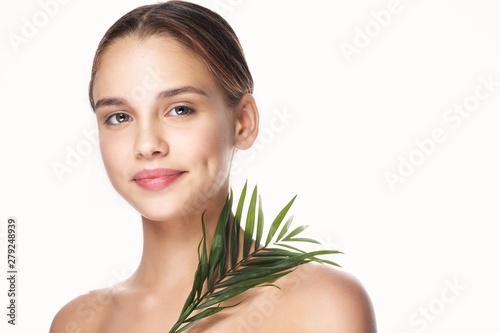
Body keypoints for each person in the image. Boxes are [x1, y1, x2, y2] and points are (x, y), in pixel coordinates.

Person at [49, 1, 377, 332]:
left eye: (179, 110)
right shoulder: (77, 322)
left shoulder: (322, 305)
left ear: (243, 122)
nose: (147, 144)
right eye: (119, 117)